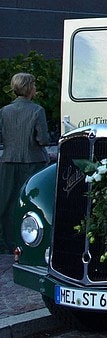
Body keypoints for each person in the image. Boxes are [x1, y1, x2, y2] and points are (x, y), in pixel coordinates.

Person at [0, 73, 50, 253]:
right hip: (32, 161)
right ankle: (27, 241)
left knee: (6, 202)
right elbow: (43, 139)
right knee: (31, 202)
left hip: (8, 161)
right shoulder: (37, 111)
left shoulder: (4, 111)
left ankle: (6, 242)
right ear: (29, 88)